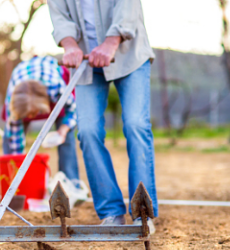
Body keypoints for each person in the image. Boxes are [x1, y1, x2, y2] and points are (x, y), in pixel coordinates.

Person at [48, 0, 158, 232]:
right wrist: (69, 45)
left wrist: (110, 43)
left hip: (129, 57)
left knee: (135, 125)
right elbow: (60, 17)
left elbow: (127, 8)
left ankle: (142, 213)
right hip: (87, 62)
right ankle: (111, 212)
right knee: (87, 131)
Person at [2, 55, 80, 184]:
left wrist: (63, 129)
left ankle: (70, 182)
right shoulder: (13, 99)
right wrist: (18, 165)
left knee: (66, 137)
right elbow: (15, 140)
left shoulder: (55, 87)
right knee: (9, 138)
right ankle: (12, 182)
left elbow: (73, 109)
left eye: (33, 113)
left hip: (51, 80)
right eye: (28, 115)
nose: (32, 118)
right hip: (21, 79)